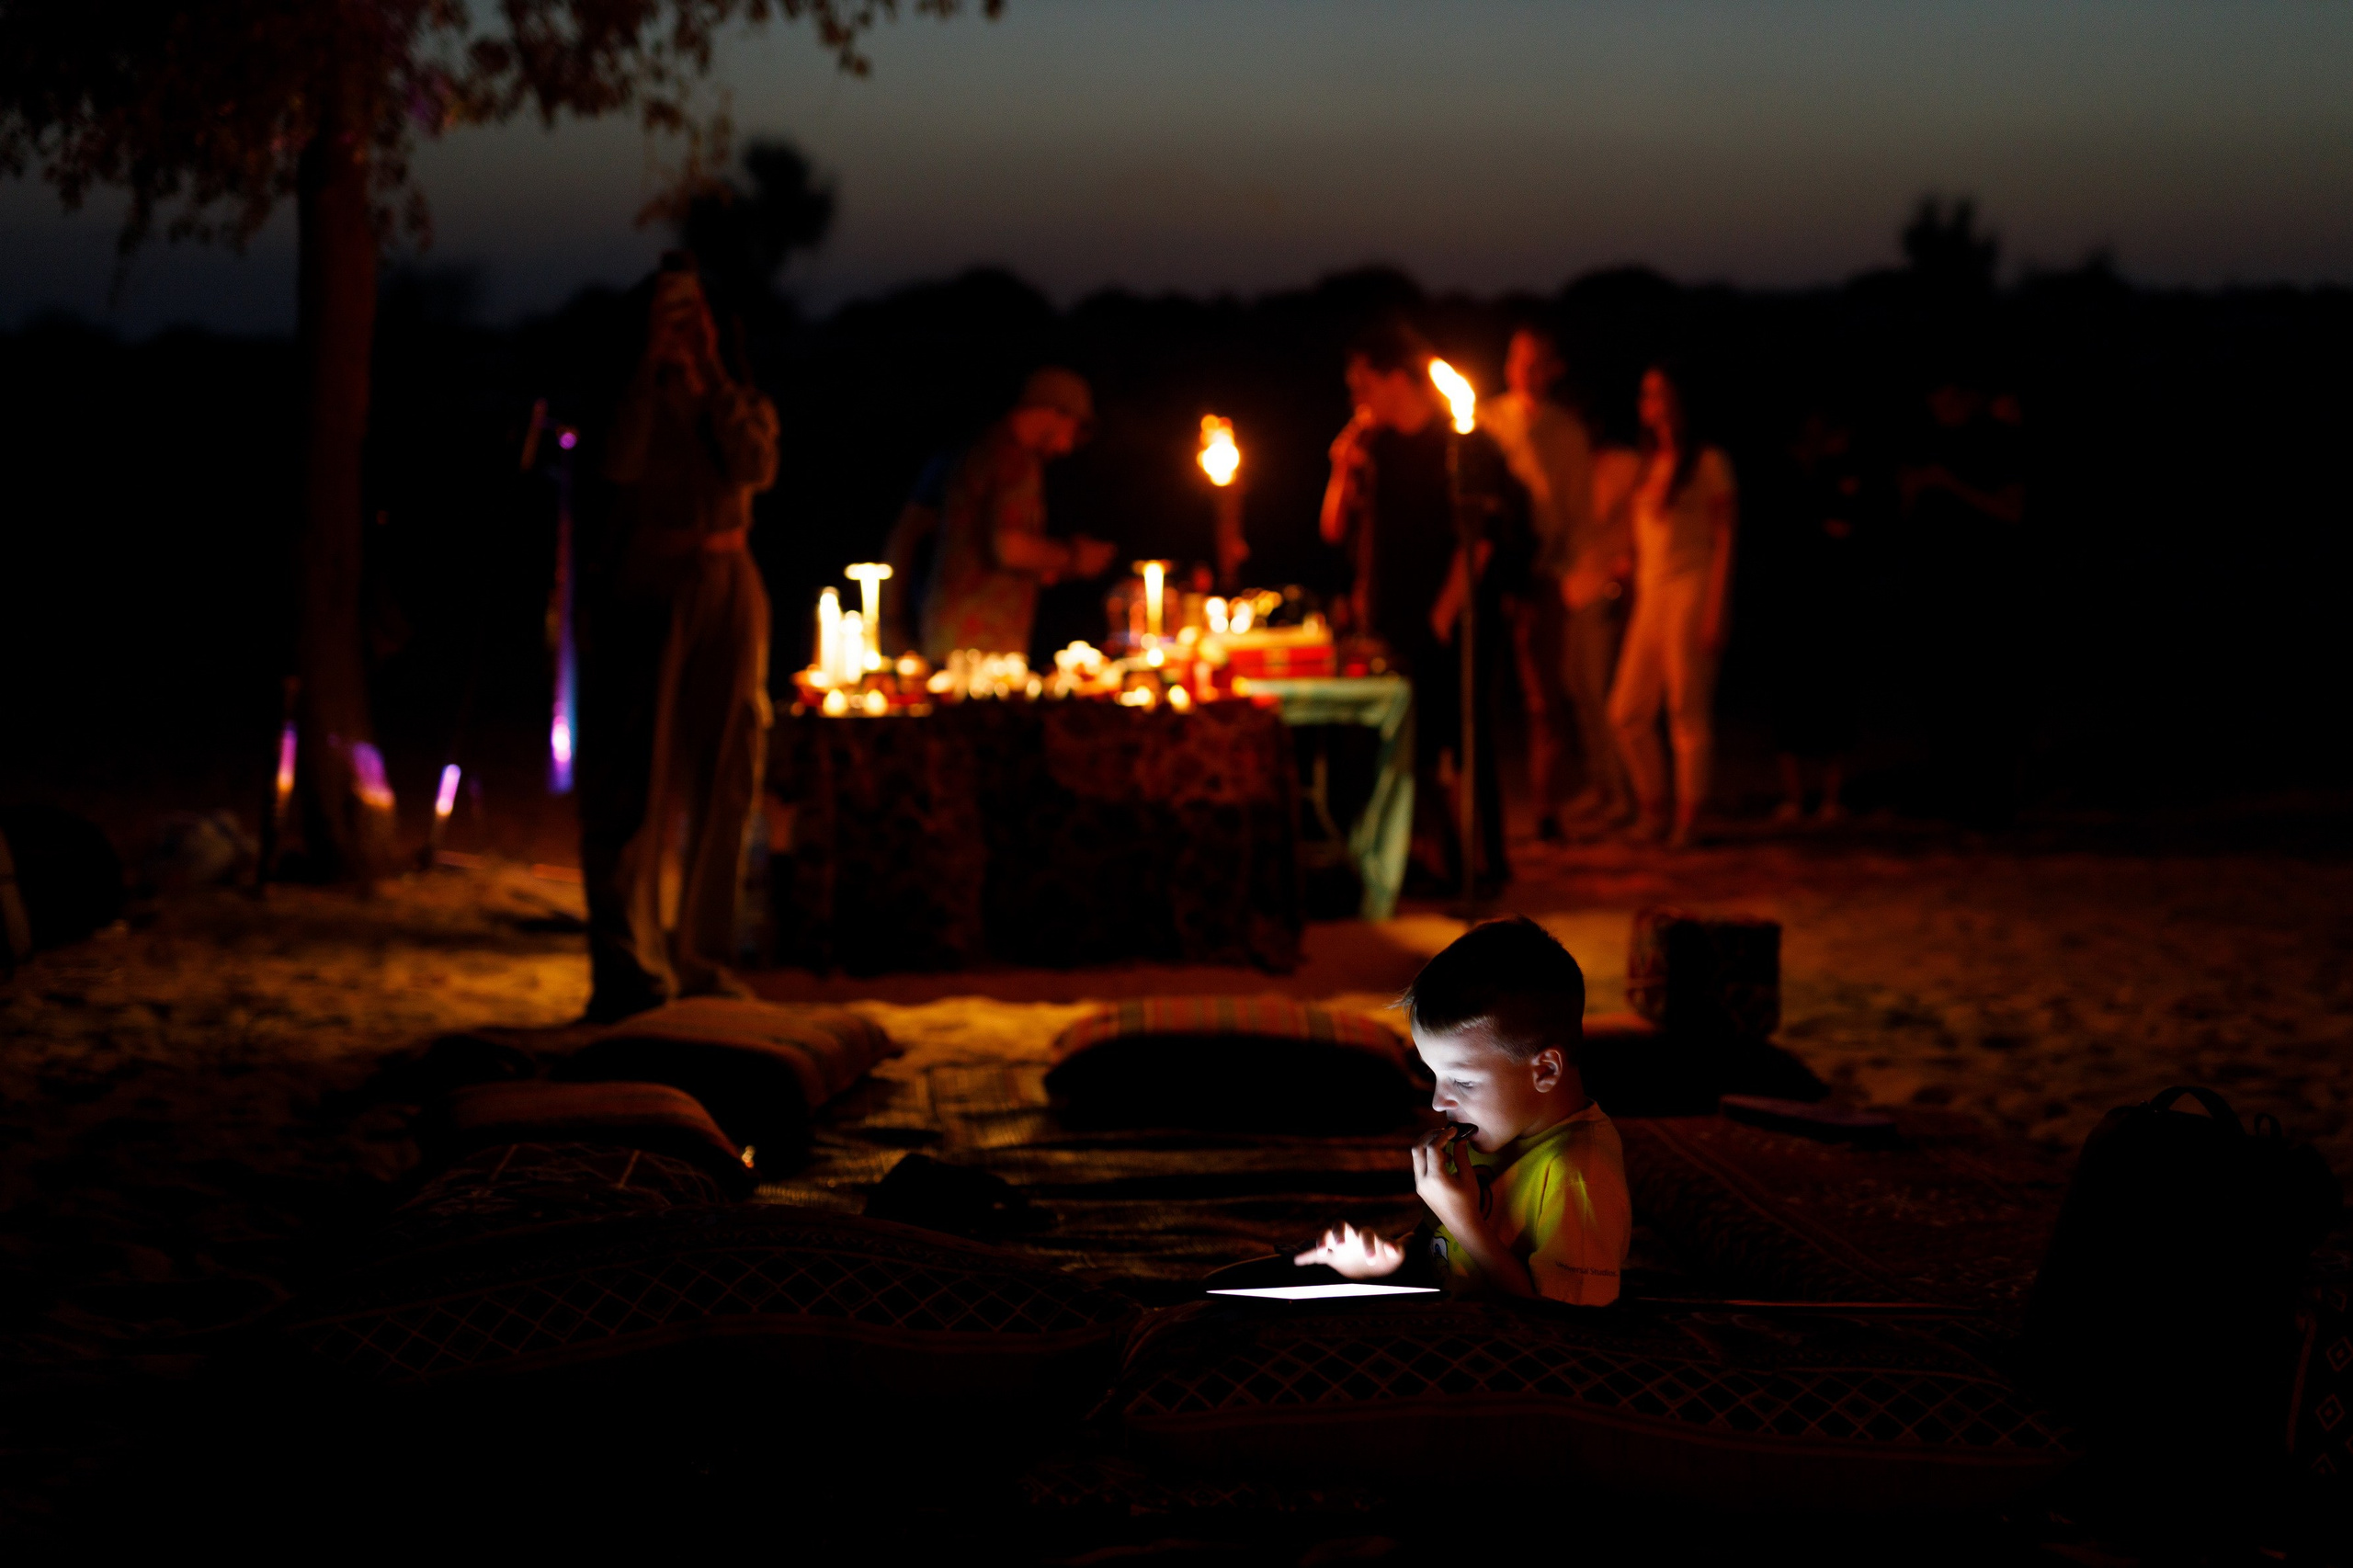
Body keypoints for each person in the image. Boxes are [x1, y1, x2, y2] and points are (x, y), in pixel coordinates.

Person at [577, 256, 780, 1022]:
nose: (683, 328)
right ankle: (628, 968)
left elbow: (756, 465)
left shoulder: (735, 394)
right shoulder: (623, 396)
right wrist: (647, 369)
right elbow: (616, 465)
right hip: (649, 581)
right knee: (634, 777)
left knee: (728, 771)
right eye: (670, 313)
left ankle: (703, 957)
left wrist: (712, 379)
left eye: (693, 314)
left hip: (731, 579)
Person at [1294, 916, 1631, 1305]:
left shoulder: (1577, 1174)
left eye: (1464, 1082)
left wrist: (1462, 1219)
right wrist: (1385, 1261)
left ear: (1545, 1070)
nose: (1439, 1102)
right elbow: (1446, 1252)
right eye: (1434, 1075)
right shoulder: (1494, 1130)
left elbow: (1561, 1326)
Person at [1320, 321, 1528, 892]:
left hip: (1455, 618)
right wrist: (1342, 465)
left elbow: (1480, 540)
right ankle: (1418, 856)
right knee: (1404, 740)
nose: (1357, 399)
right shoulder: (1377, 446)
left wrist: (1440, 619)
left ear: (1395, 378)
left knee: (1462, 739)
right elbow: (1338, 530)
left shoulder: (1464, 441)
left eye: (1364, 385)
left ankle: (1480, 864)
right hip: (1391, 617)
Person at [1481, 324, 1604, 841]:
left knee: (1543, 698)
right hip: (1489, 570)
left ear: (1552, 370)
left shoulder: (1568, 432)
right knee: (1481, 691)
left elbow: (1576, 509)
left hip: (1542, 571)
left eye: (1537, 364)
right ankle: (1478, 808)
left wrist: (1557, 562)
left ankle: (1546, 808)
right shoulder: (1486, 421)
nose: (1526, 374)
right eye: (1518, 362)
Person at [1607, 364, 1737, 848]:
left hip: (1692, 583)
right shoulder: (1649, 463)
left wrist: (1717, 607)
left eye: (1658, 392)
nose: (1648, 401)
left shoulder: (1707, 462)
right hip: (1651, 591)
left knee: (1686, 702)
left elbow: (1725, 537)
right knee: (1625, 710)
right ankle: (1653, 805)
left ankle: (1689, 816)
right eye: (1644, 393)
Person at [1896, 375, 2029, 824]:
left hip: (1987, 588)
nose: (1943, 402)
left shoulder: (1998, 441)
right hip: (1936, 588)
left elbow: (2012, 511)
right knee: (1941, 694)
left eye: (1952, 392)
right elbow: (1905, 512)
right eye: (1935, 392)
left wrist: (1949, 483)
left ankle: (1995, 800)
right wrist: (1912, 489)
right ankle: (1950, 796)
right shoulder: (1923, 441)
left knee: (1989, 693)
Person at [920, 368, 1118, 661]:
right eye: (1073, 430)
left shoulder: (986, 447)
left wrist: (1048, 565)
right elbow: (1008, 548)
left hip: (953, 630)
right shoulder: (1015, 460)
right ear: (1055, 413)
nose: (1066, 446)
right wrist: (1075, 557)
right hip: (980, 639)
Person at [1772, 409, 1872, 825]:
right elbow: (1783, 528)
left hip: (1834, 596)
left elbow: (1854, 527)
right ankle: (1794, 797)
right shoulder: (1786, 470)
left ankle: (1833, 796)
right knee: (1790, 697)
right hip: (1792, 594)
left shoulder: (1845, 468)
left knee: (1836, 695)